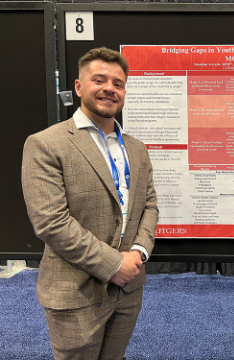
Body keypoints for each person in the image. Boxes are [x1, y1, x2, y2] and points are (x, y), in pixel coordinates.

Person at [21, 47, 158, 360]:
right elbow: (51, 222)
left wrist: (138, 253)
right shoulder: (46, 144)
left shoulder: (137, 150)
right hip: (75, 292)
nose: (110, 88)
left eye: (118, 83)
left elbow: (149, 205)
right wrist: (113, 265)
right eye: (100, 79)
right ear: (79, 86)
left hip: (128, 288)